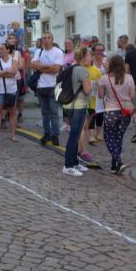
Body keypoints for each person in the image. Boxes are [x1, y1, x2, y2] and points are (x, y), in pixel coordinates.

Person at [98, 54, 135, 174]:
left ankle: (118, 161)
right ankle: (114, 166)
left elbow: (100, 96)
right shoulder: (129, 78)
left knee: (109, 137)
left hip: (111, 111)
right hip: (125, 112)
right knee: (118, 138)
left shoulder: (104, 78)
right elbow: (132, 96)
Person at [30, 32, 64, 146]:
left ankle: (55, 135)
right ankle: (47, 133)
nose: (46, 40)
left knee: (54, 112)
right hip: (41, 86)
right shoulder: (38, 51)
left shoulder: (58, 52)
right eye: (44, 38)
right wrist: (48, 66)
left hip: (54, 85)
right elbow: (33, 65)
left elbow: (56, 69)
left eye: (48, 38)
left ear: (52, 39)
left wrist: (40, 67)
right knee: (45, 113)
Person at [62, 48, 92, 177]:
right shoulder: (82, 70)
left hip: (70, 105)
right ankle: (68, 165)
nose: (90, 57)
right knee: (74, 135)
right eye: (89, 55)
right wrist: (92, 85)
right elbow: (87, 90)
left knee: (76, 134)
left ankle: (74, 162)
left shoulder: (72, 67)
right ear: (84, 57)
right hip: (78, 106)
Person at [0, 42, 19, 142]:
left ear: (8, 50)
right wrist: (6, 71)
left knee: (12, 112)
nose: (0, 50)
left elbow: (13, 73)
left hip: (11, 89)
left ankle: (13, 135)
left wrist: (0, 73)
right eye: (0, 49)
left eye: (2, 49)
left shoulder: (13, 60)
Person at [78, 48, 100, 163]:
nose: (85, 58)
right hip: (81, 102)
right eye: (83, 56)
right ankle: (82, 151)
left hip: (92, 102)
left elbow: (98, 87)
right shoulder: (79, 69)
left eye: (87, 56)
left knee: (85, 128)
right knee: (82, 127)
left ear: (91, 57)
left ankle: (80, 149)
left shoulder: (96, 71)